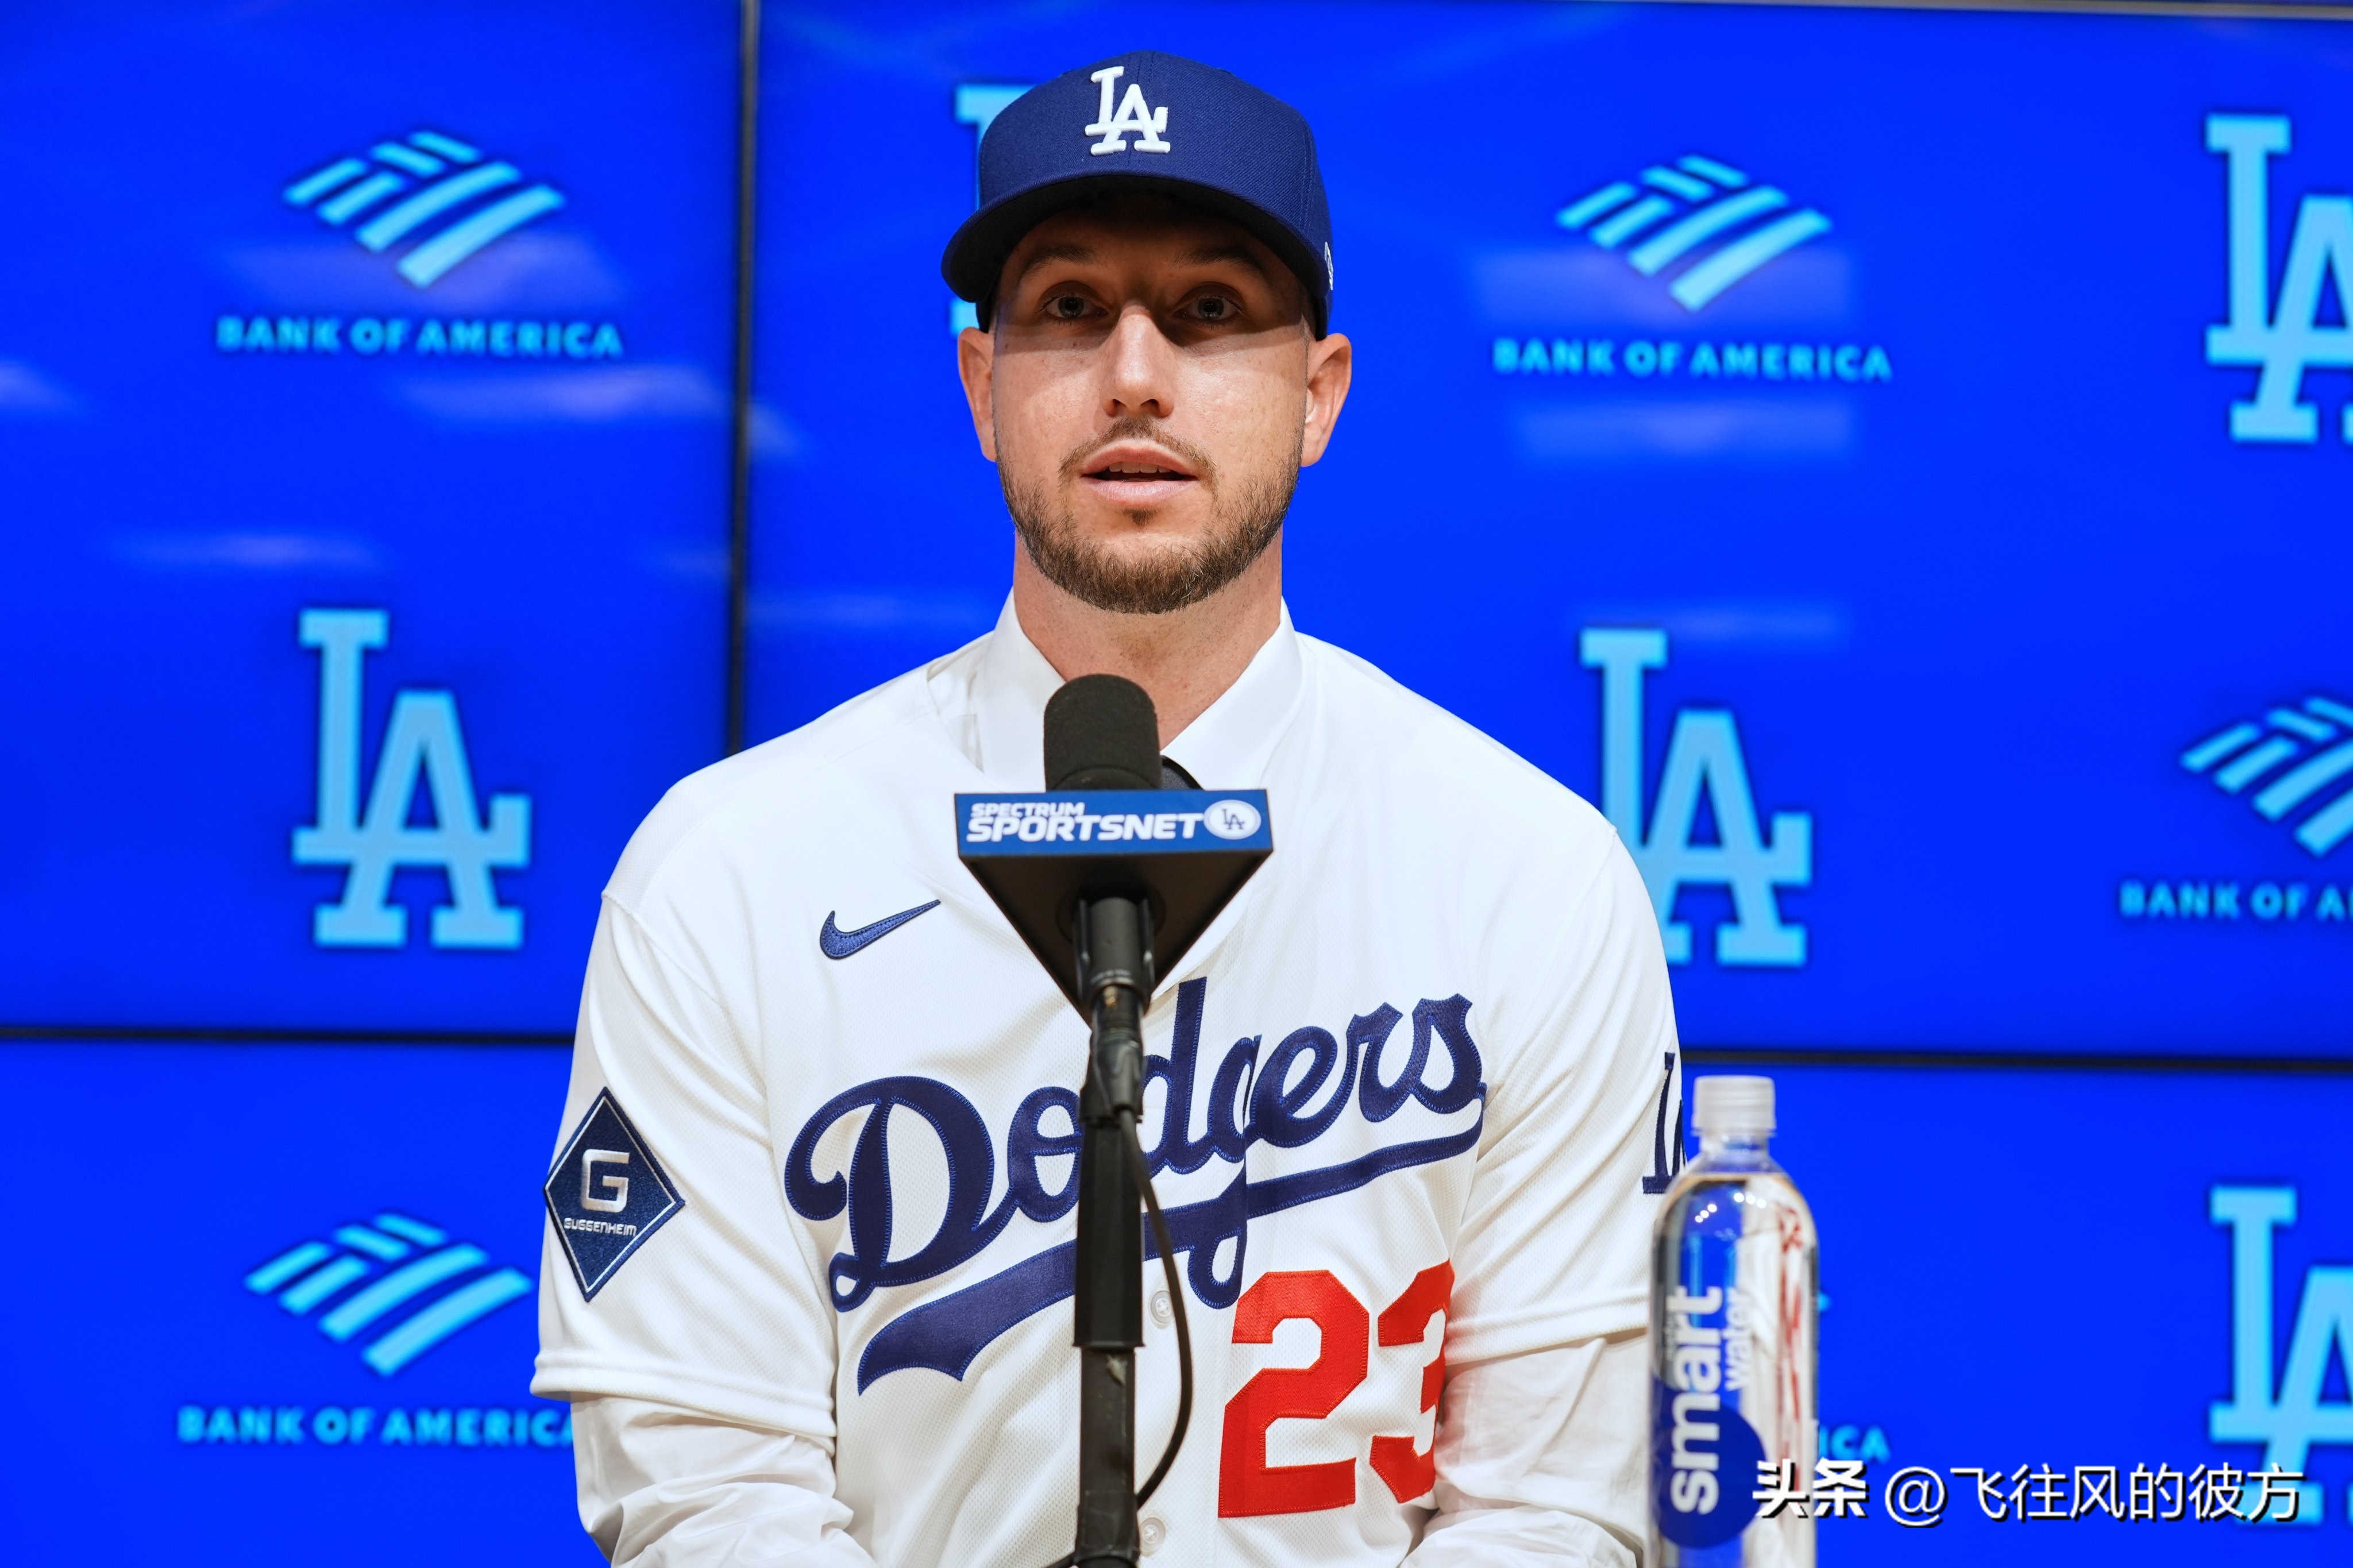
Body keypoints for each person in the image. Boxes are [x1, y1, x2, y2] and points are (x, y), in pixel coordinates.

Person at [534, 49, 1678, 1568]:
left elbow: (1554, 1507)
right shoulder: (725, 872)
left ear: (1321, 392)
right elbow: (702, 1490)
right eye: (1069, 307)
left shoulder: (1530, 874)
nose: (1136, 372)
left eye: (1210, 310)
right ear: (982, 387)